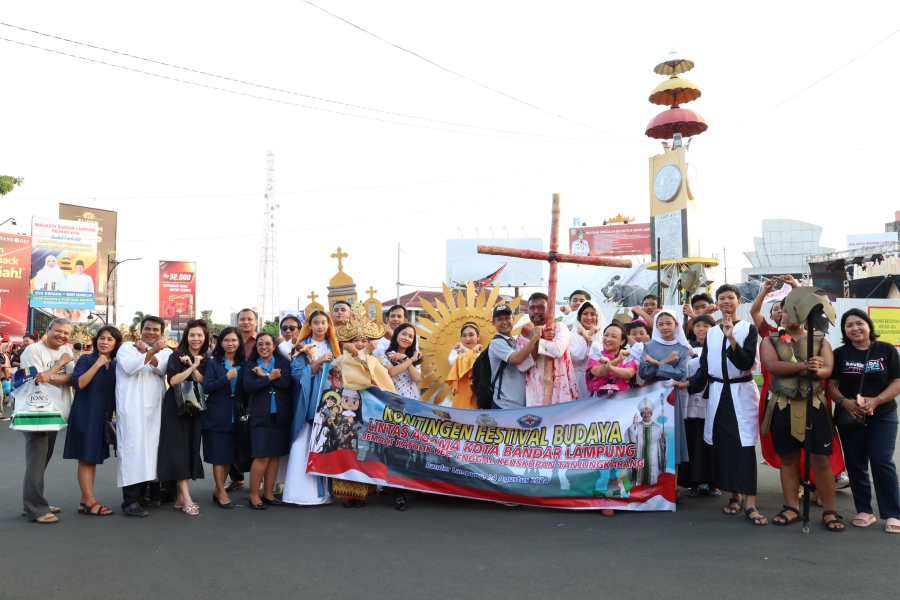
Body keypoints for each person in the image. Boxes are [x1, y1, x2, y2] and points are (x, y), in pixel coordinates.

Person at [675, 285, 767, 526]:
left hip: (740, 391)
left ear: (738, 301)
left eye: (730, 298)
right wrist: (688, 384)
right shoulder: (712, 332)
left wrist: (731, 337)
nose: (726, 301)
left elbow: (746, 361)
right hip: (717, 392)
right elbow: (705, 367)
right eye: (721, 298)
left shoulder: (747, 329)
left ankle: (750, 502)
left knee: (744, 445)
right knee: (723, 445)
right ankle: (734, 496)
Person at [760, 289, 841, 530]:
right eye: (785, 310)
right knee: (788, 459)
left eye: (794, 310)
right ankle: (792, 507)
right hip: (781, 405)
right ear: (780, 314)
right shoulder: (770, 340)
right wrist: (805, 365)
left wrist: (818, 368)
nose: (789, 314)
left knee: (821, 460)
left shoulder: (820, 340)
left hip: (814, 404)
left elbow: (827, 371)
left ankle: (829, 511)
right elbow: (772, 366)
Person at [826, 308, 900, 534]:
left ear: (869, 326)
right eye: (849, 325)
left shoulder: (885, 349)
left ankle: (893, 514)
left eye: (859, 323)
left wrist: (876, 401)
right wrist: (843, 402)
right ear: (844, 331)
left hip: (883, 414)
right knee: (856, 463)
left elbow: (897, 381)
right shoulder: (840, 354)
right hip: (852, 417)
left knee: (881, 461)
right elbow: (830, 384)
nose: (855, 328)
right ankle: (864, 511)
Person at [331, 302, 395, 507]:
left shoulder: (373, 361)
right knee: (345, 449)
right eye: (356, 340)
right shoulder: (340, 360)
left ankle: (362, 494)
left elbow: (378, 382)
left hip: (366, 413)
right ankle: (345, 493)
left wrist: (360, 353)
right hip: (345, 410)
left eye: (363, 340)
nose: (359, 343)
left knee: (363, 450)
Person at [12, 318, 75, 524]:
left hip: (55, 413)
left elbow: (73, 379)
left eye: (66, 333)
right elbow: (39, 378)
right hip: (38, 411)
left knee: (42, 460)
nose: (62, 336)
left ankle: (34, 502)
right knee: (36, 461)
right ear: (47, 330)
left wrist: (52, 375)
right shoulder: (34, 350)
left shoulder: (65, 351)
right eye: (58, 331)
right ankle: (36, 509)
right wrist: (61, 364)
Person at [116, 315, 173, 518]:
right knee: (133, 452)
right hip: (132, 409)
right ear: (141, 330)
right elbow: (131, 367)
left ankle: (145, 495)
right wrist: (152, 351)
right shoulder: (126, 348)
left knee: (151, 452)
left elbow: (163, 369)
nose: (151, 332)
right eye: (147, 329)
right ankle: (129, 500)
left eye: (156, 330)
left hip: (155, 410)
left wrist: (150, 352)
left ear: (162, 333)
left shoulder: (166, 351)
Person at [63, 325, 123, 516]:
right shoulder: (87, 359)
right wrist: (97, 364)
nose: (104, 342)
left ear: (116, 344)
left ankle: (84, 500)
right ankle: (90, 502)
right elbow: (79, 384)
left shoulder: (115, 364)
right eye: (102, 338)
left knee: (93, 459)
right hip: (85, 414)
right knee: (85, 459)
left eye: (110, 339)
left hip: (103, 417)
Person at [283, 310, 339, 506]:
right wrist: (316, 364)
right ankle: (297, 494)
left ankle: (323, 494)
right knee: (302, 445)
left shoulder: (334, 347)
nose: (321, 326)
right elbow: (297, 376)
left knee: (323, 446)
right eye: (316, 322)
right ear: (310, 325)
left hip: (329, 405)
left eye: (324, 322)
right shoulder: (304, 347)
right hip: (308, 404)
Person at [157, 320, 209, 516]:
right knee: (178, 449)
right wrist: (189, 367)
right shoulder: (177, 355)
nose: (196, 339)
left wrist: (196, 366)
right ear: (186, 337)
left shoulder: (207, 359)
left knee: (190, 448)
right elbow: (173, 381)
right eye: (192, 335)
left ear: (205, 338)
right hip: (176, 408)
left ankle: (180, 497)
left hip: (196, 409)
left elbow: (205, 381)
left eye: (200, 335)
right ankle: (186, 497)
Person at [637, 310, 689, 498]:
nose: (665, 327)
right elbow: (644, 374)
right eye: (661, 324)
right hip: (652, 397)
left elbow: (680, 374)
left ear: (676, 325)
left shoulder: (683, 349)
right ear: (656, 327)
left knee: (671, 441)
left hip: (672, 398)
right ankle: (648, 484)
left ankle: (671, 488)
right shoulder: (649, 346)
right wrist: (665, 362)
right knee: (648, 441)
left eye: (669, 323)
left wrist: (656, 364)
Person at [243, 332, 293, 510]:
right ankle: (254, 494)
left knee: (274, 456)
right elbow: (248, 386)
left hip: (280, 415)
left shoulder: (283, 363)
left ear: (274, 346)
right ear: (256, 348)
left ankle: (269, 493)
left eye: (267, 344)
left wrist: (264, 376)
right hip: (260, 416)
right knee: (261, 455)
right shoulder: (250, 365)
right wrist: (270, 377)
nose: (264, 347)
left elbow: (287, 383)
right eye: (260, 344)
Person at [202, 326, 244, 509]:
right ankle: (221, 490)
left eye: (234, 340)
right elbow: (207, 387)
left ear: (239, 342)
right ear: (221, 342)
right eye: (227, 340)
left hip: (237, 415)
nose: (230, 343)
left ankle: (219, 490)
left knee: (228, 455)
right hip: (218, 415)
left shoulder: (245, 362)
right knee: (219, 456)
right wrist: (225, 378)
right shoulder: (214, 362)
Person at [679, 315, 719, 498]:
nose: (702, 329)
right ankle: (692, 483)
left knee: (711, 442)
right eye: (698, 326)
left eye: (706, 325)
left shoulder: (719, 347)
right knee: (693, 440)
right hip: (689, 401)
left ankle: (714, 482)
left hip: (712, 400)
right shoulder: (685, 348)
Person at [516, 293, 578, 406]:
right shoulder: (523, 334)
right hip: (536, 394)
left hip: (562, 391)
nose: (536, 311)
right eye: (532, 308)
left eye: (541, 307)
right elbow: (522, 366)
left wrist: (533, 338)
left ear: (549, 310)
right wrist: (534, 336)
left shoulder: (559, 327)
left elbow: (557, 351)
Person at [226, 308, 259, 493]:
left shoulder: (261, 340)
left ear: (256, 322)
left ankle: (257, 478)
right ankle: (236, 477)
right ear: (237, 321)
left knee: (253, 435)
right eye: (242, 319)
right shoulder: (231, 339)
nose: (246, 322)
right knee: (233, 434)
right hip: (233, 391)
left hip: (255, 392)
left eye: (249, 319)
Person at [488, 304, 542, 410]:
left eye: (507, 318)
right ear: (493, 322)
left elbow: (531, 360)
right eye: (499, 319)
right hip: (504, 406)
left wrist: (535, 339)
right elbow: (518, 359)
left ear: (513, 319)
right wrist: (536, 337)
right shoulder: (496, 343)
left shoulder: (515, 340)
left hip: (521, 405)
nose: (504, 322)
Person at [586, 323, 637, 397]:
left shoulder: (627, 356)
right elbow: (599, 372)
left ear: (622, 341)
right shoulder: (596, 356)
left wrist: (610, 366)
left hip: (623, 398)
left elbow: (628, 374)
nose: (608, 339)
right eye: (606, 335)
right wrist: (618, 360)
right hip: (599, 399)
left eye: (613, 336)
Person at [570, 300, 604, 399]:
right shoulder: (571, 335)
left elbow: (599, 357)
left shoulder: (603, 335)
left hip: (597, 379)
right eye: (585, 314)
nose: (589, 317)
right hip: (577, 379)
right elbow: (576, 356)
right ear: (579, 316)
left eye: (593, 314)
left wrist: (587, 335)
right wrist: (588, 335)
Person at [445, 322, 483, 409]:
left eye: (471, 335)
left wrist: (465, 351)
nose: (468, 339)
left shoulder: (482, 354)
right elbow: (452, 361)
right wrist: (458, 350)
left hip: (476, 392)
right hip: (460, 392)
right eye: (464, 336)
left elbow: (475, 362)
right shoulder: (458, 352)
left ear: (478, 336)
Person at [383, 324, 422, 400]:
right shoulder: (386, 354)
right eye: (403, 334)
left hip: (413, 400)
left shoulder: (414, 356)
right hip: (394, 401)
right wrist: (410, 360)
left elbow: (416, 378)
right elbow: (392, 372)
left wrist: (405, 358)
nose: (406, 338)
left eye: (410, 336)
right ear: (397, 334)